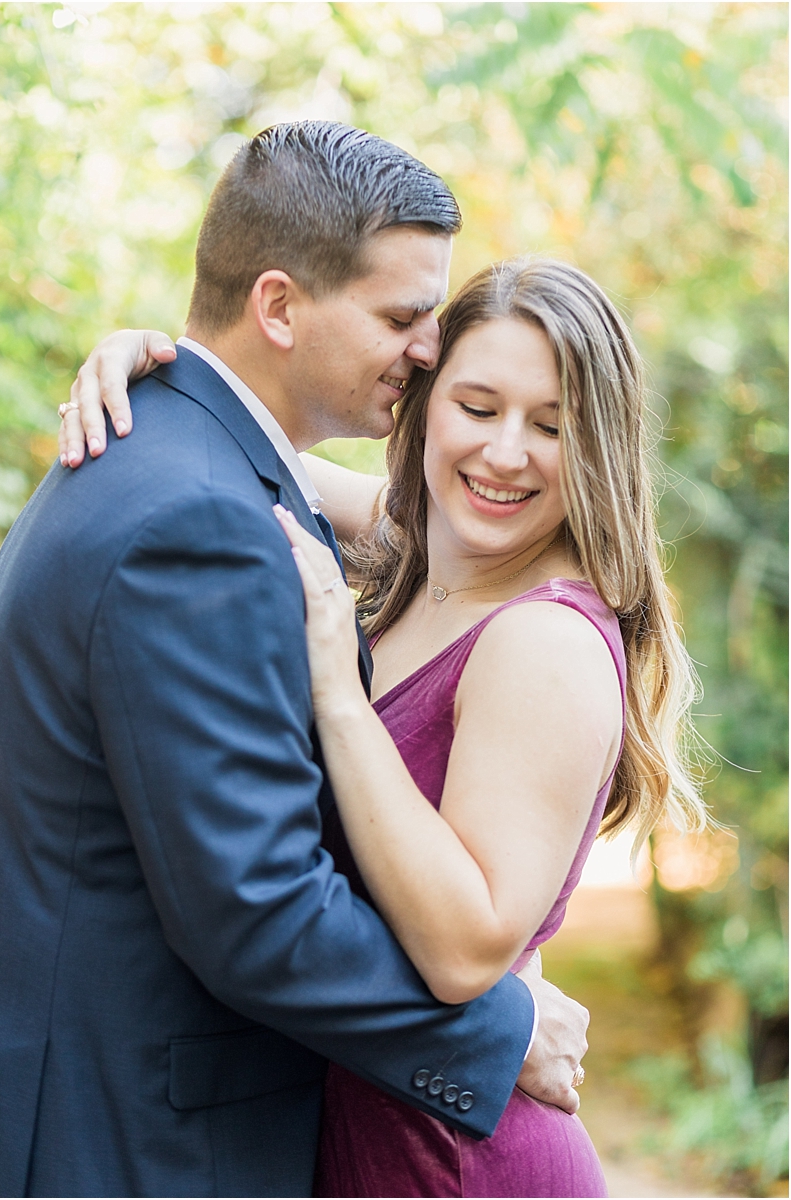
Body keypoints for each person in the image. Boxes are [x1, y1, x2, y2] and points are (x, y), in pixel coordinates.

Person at [0, 123, 588, 1200]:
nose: (426, 349)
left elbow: (439, 535)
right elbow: (259, 908)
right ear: (277, 306)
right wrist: (500, 1031)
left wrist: (152, 354)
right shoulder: (199, 519)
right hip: (140, 1145)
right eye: (404, 318)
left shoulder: (191, 465)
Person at [58, 256, 707, 1197]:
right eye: (477, 409)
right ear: (425, 400)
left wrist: (337, 692)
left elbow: (464, 948)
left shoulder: (543, 643)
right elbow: (254, 449)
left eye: (552, 427)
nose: (503, 454)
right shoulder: (421, 548)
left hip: (453, 1160)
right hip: (358, 1128)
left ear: (596, 448)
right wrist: (147, 368)